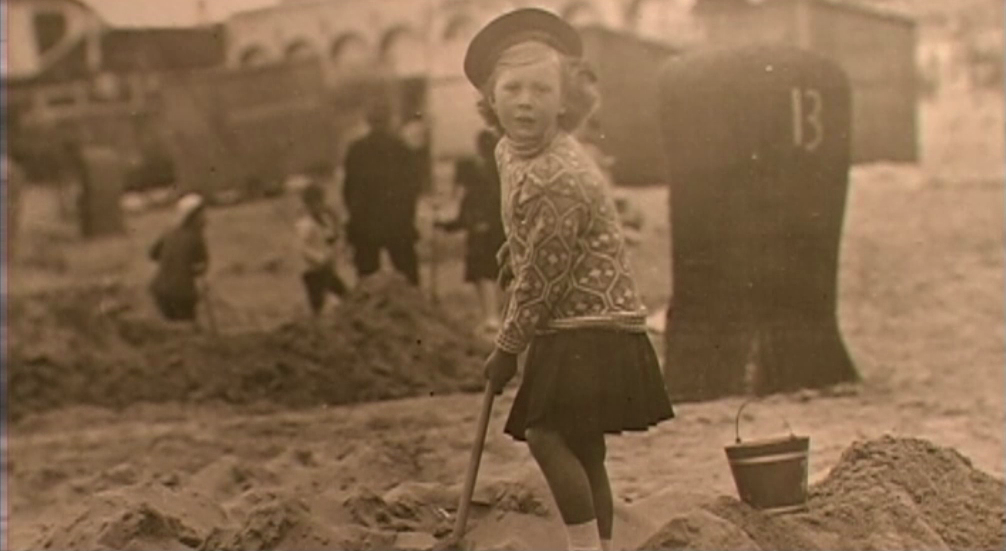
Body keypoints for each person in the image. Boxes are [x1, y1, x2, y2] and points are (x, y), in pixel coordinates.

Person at [463, 9, 674, 551]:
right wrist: (514, 246)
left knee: (546, 434)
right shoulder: (509, 150)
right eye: (512, 89)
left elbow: (542, 279)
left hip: (591, 323)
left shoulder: (558, 174)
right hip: (573, 317)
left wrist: (506, 349)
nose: (525, 102)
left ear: (565, 102)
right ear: (491, 98)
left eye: (542, 89)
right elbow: (535, 237)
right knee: (582, 444)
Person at [342, 101, 422, 286]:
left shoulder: (356, 150)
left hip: (365, 222)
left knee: (367, 278)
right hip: (397, 220)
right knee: (408, 275)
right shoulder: (401, 148)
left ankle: (371, 304)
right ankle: (413, 301)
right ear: (388, 121)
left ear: (368, 122)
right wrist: (408, 215)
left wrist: (355, 215)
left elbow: (348, 189)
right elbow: (413, 186)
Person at [435, 129, 506, 333]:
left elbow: (468, 208)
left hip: (482, 231)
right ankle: (495, 316)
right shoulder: (500, 173)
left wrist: (447, 224)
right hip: (498, 230)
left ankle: (491, 317)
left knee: (483, 274)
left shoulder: (478, 176)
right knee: (493, 273)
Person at [149, 193, 209, 323]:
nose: (205, 218)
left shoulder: (169, 233)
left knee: (173, 327)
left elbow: (152, 254)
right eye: (202, 214)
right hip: (182, 294)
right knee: (187, 326)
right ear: (192, 217)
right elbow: (201, 267)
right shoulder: (196, 237)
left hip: (160, 291)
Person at [296, 180, 349, 316]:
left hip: (326, 270)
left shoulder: (324, 220)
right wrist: (320, 258)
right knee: (317, 304)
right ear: (307, 204)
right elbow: (303, 248)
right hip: (313, 271)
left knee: (345, 295)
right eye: (314, 203)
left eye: (321, 202)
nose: (319, 206)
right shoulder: (305, 224)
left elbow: (330, 238)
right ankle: (315, 324)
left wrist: (336, 228)